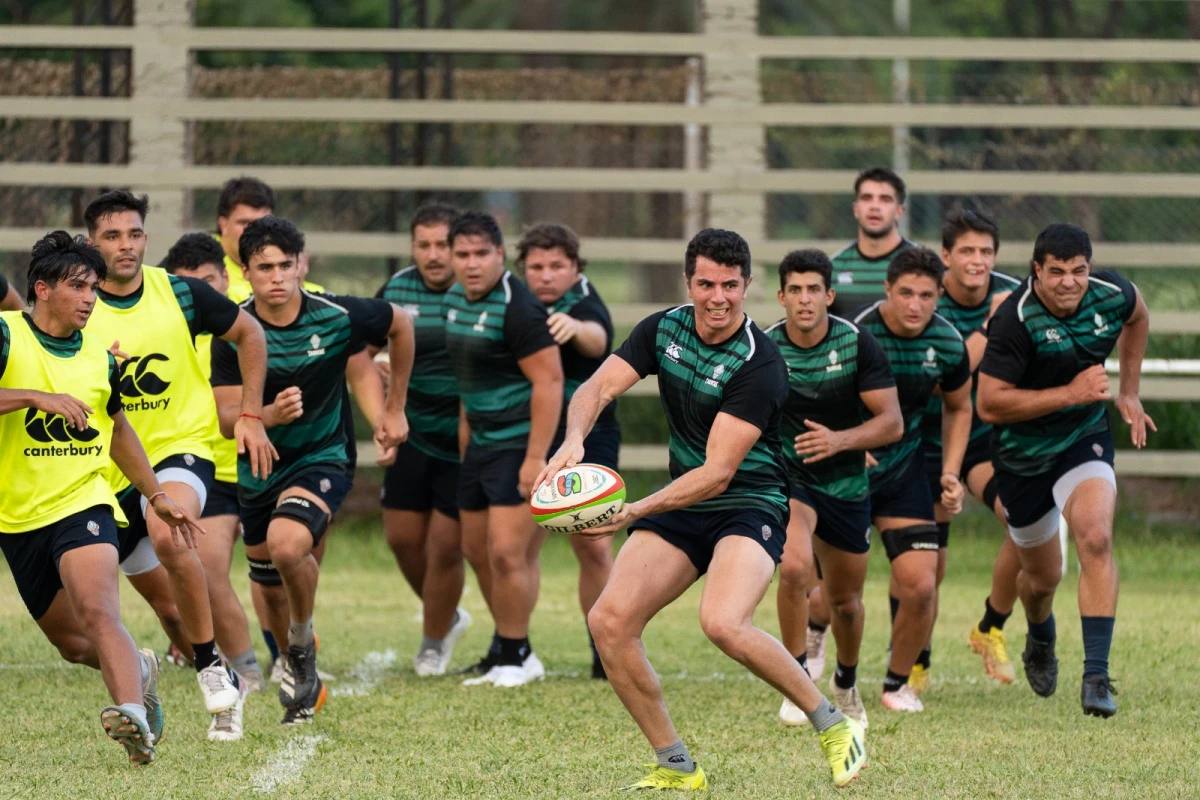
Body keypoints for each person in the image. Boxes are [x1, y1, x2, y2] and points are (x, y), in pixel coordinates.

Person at [540, 229, 867, 791]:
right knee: (609, 621)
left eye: (731, 286)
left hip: (749, 501)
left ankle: (835, 725)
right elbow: (594, 388)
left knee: (723, 622)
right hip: (684, 499)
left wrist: (634, 509)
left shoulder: (760, 364)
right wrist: (574, 440)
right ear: (688, 282)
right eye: (706, 284)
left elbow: (718, 472)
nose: (718, 297)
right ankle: (675, 765)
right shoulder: (663, 328)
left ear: (748, 287)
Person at [0, 231, 203, 765]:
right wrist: (32, 397)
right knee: (72, 647)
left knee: (97, 607)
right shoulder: (5, 336)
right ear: (41, 289)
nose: (90, 297)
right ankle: (139, 669)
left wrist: (155, 495)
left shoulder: (100, 357)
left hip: (85, 503)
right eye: (77, 286)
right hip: (17, 515)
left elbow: (118, 431)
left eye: (94, 286)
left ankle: (133, 715)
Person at [83, 191, 276, 733]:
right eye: (113, 236)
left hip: (178, 451)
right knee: (99, 631)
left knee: (171, 536)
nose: (126, 246)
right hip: (104, 470)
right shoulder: (75, 303)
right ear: (92, 243)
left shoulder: (181, 294)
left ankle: (215, 671)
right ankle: (167, 668)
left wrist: (252, 414)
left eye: (135, 234)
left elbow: (249, 333)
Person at [211, 215, 414, 725]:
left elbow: (402, 324)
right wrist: (268, 415)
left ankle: (301, 643)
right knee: (268, 583)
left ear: (302, 266)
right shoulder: (234, 329)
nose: (277, 277)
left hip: (323, 456)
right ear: (246, 271)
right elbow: (225, 418)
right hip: (259, 467)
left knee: (287, 545)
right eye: (264, 268)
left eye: (286, 265)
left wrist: (393, 408)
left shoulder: (337, 316)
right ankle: (302, 673)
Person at [977, 223, 1152, 717]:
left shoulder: (1111, 293)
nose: (1069, 282)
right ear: (1037, 271)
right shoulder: (1015, 319)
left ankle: (1096, 676)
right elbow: (989, 403)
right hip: (1022, 458)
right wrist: (1071, 394)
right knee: (1041, 580)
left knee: (1095, 537)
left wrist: (1129, 391)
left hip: (1082, 439)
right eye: (1057, 272)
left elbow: (1138, 316)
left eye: (1079, 271)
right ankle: (1039, 634)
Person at [767, 249, 903, 728]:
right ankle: (797, 680)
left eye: (813, 290)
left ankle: (845, 682)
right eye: (795, 290)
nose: (804, 300)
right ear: (781, 296)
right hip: (791, 480)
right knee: (794, 569)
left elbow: (891, 424)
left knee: (845, 603)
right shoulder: (764, 348)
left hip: (846, 484)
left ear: (829, 295)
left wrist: (840, 440)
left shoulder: (857, 343)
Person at [444, 212, 563, 687]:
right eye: (463, 255)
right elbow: (468, 379)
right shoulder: (453, 299)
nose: (471, 265)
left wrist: (536, 458)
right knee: (475, 549)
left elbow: (550, 381)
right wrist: (465, 436)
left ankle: (514, 655)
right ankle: (513, 646)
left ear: (499, 254)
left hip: (520, 440)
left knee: (509, 553)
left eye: (481, 254)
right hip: (480, 442)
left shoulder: (520, 307)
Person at [852, 247, 972, 714]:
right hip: (848, 472)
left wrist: (951, 471)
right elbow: (823, 395)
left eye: (926, 295)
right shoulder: (858, 333)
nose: (915, 305)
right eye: (905, 293)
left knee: (922, 586)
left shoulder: (947, 342)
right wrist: (850, 443)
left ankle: (896, 683)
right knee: (829, 595)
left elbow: (960, 407)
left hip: (906, 471)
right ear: (887, 289)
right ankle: (814, 648)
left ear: (940, 295)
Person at [162, 234, 269, 721]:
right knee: (206, 569)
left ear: (227, 278)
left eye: (211, 281)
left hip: (267, 465)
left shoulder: (244, 328)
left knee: (280, 571)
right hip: (212, 470)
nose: (204, 292)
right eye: (193, 285)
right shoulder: (168, 332)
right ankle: (245, 668)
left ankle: (293, 655)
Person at [917, 209, 1022, 688]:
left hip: (984, 440)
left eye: (985, 252)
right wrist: (989, 325)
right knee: (928, 566)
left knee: (1026, 524)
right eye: (967, 252)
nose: (977, 261)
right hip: (924, 442)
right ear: (946, 257)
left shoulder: (1015, 294)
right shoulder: (924, 295)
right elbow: (941, 382)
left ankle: (990, 628)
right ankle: (915, 661)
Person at [518, 222, 619, 680]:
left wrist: (575, 327)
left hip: (588, 435)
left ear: (575, 268)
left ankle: (607, 648)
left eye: (556, 265)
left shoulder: (583, 302)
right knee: (511, 545)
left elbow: (598, 337)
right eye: (536, 266)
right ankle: (512, 647)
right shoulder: (514, 304)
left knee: (594, 546)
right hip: (527, 433)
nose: (545, 275)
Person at [375, 202, 472, 676]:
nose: (434, 255)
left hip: (463, 440)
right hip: (411, 434)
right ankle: (448, 615)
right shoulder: (396, 288)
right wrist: (383, 413)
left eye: (443, 245)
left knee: (446, 547)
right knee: (402, 539)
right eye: (423, 245)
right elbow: (363, 355)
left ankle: (433, 641)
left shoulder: (479, 289)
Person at [829, 166, 917, 317]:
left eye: (885, 199)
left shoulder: (921, 264)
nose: (874, 206)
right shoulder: (833, 267)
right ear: (856, 209)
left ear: (899, 212)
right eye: (867, 198)